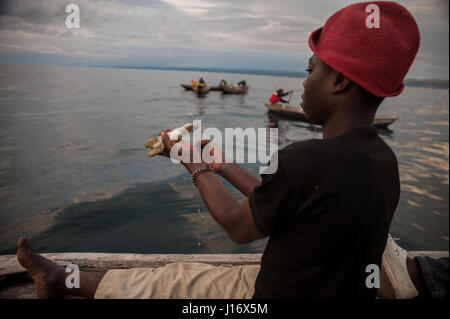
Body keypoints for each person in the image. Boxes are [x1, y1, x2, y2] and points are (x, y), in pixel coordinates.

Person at [16, 2, 428, 299]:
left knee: (170, 282)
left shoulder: (309, 159)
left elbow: (237, 226)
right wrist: (223, 165)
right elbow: (287, 203)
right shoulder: (380, 160)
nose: (302, 83)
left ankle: (59, 282)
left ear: (338, 81)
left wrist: (192, 163)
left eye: (310, 70)